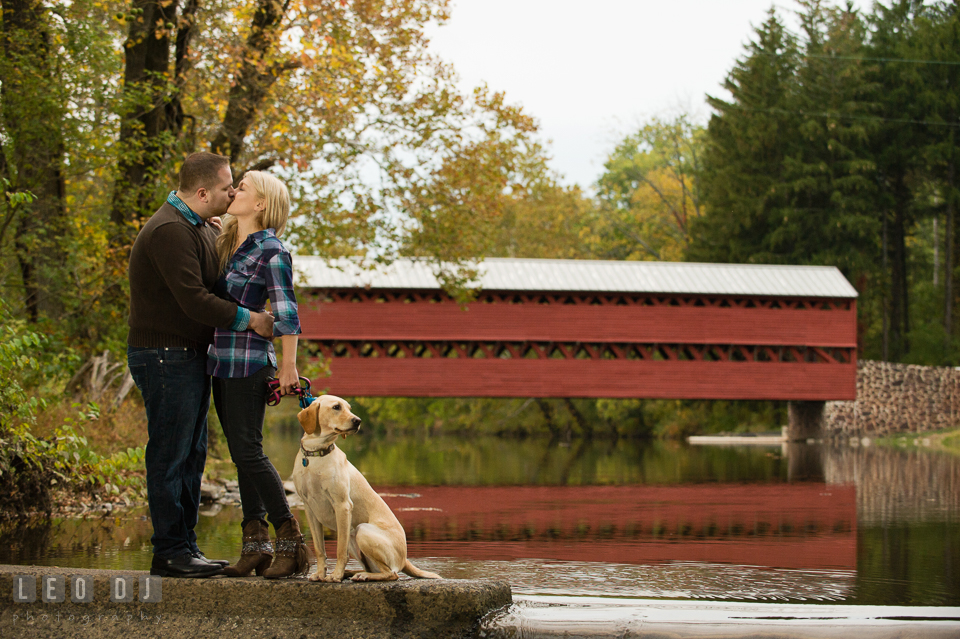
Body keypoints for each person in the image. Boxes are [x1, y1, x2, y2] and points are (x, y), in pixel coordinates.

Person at [127, 152, 275, 578]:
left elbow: (216, 280)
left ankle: (185, 546)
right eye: (229, 186)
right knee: (171, 454)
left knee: (192, 454)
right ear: (203, 192)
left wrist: (220, 234)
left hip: (186, 357)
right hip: (165, 356)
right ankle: (169, 552)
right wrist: (253, 320)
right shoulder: (171, 231)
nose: (233, 192)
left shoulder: (194, 227)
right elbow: (195, 299)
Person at [208, 170, 309, 579]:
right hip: (219, 362)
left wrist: (288, 367)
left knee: (248, 450)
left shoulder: (272, 250)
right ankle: (255, 547)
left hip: (250, 364)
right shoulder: (231, 243)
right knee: (239, 454)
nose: (235, 191)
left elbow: (286, 314)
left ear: (261, 204)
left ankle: (290, 540)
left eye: (243, 187)